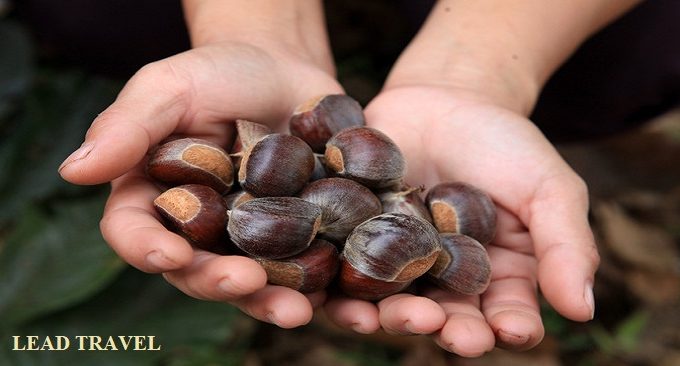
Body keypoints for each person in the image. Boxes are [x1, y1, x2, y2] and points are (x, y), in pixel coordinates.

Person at [56, 0, 651, 356]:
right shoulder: (316, 191)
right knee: (99, 15)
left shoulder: (318, 192)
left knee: (627, 58)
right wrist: (257, 35)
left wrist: (479, 72)